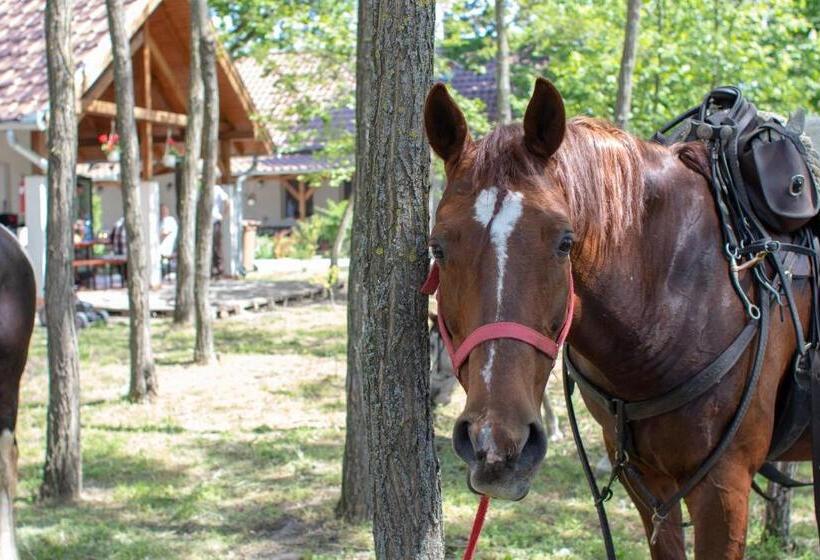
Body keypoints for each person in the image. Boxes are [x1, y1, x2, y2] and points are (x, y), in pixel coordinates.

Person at [212, 184, 229, 278]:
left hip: (215, 221)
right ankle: (212, 269)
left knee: (217, 246)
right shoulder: (202, 188)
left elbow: (227, 200)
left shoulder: (217, 188)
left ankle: (219, 270)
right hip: (205, 222)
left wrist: (224, 214)